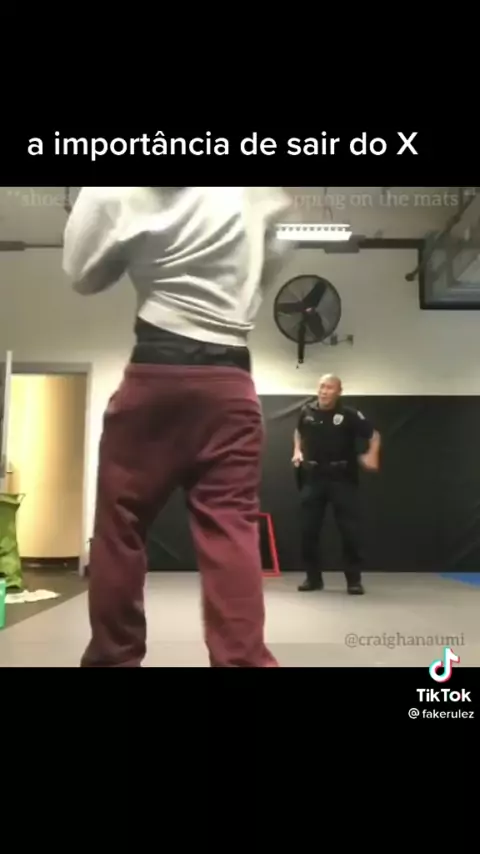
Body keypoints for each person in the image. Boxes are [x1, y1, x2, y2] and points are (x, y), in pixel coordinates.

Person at [62, 186, 292, 667]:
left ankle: (113, 658)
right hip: (230, 379)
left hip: (156, 372)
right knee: (231, 528)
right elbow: (268, 264)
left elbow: (82, 276)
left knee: (120, 525)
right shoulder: (257, 191)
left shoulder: (113, 189)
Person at [292, 374, 380, 595]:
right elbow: (298, 432)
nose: (324, 391)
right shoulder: (306, 411)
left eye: (330, 388)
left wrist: (372, 454)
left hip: (342, 478)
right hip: (313, 477)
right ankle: (313, 579)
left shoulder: (349, 414)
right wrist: (297, 450)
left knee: (349, 531)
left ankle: (353, 580)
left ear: (339, 391)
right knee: (308, 530)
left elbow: (374, 435)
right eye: (321, 386)